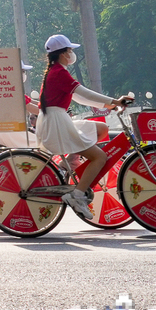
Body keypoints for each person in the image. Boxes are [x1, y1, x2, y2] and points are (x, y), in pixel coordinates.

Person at [36, 35, 134, 216]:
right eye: (70, 50)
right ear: (64, 53)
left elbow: (79, 97)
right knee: (99, 157)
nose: (72, 54)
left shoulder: (56, 71)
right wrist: (115, 101)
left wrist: (110, 105)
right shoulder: (59, 72)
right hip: (56, 122)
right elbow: (83, 93)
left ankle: (72, 161)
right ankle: (77, 195)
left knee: (101, 129)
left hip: (57, 119)